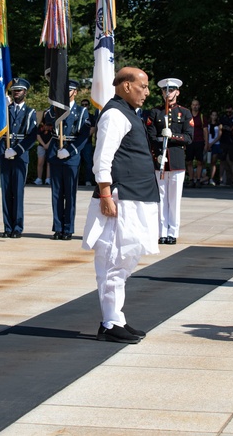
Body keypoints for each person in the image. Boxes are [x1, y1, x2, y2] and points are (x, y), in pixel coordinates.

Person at [82, 67, 158, 344]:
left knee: (126, 257)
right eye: (143, 86)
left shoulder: (129, 113)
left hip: (136, 196)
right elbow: (102, 157)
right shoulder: (114, 114)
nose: (147, 93)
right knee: (114, 257)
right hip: (120, 197)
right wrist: (104, 194)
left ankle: (117, 317)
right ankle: (110, 322)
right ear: (126, 85)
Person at [43, 80, 92, 240]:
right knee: (56, 193)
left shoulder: (82, 111)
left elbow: (83, 135)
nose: (67, 93)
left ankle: (68, 228)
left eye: (70, 90)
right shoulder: (55, 108)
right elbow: (48, 120)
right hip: (56, 153)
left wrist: (69, 151)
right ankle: (58, 227)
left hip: (71, 156)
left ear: (75, 92)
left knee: (70, 194)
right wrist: (56, 105)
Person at [146, 77, 192, 244]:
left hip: (176, 161)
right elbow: (150, 136)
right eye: (165, 90)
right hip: (160, 160)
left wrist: (173, 135)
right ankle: (161, 232)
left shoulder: (185, 113)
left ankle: (173, 232)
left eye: (171, 90)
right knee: (161, 198)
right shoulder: (155, 112)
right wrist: (155, 154)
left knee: (174, 200)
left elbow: (189, 137)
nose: (168, 93)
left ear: (177, 92)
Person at [0, 78, 38, 237]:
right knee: (6, 192)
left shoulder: (30, 112)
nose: (16, 93)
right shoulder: (4, 110)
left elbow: (32, 135)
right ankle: (7, 227)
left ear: (25, 92)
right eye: (14, 90)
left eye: (19, 90)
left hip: (20, 156)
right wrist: (4, 149)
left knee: (18, 192)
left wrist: (16, 150)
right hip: (4, 154)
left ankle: (17, 228)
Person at [186, 98, 206, 187]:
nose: (195, 106)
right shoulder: (187, 116)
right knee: (189, 161)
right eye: (193, 105)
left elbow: (205, 130)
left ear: (199, 106)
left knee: (199, 161)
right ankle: (191, 179)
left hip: (199, 141)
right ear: (191, 106)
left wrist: (207, 143)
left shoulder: (202, 117)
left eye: (196, 104)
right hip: (189, 141)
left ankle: (198, 179)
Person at [205, 110, 221, 186]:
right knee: (205, 161)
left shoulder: (219, 125)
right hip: (208, 143)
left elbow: (219, 136)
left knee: (213, 162)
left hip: (216, 144)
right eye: (212, 115)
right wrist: (207, 143)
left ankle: (212, 178)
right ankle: (204, 177)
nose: (214, 117)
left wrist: (212, 143)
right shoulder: (207, 125)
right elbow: (206, 134)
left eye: (215, 115)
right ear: (210, 116)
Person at [35, 117, 51, 186]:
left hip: (50, 146)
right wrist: (44, 144)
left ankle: (48, 179)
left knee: (49, 163)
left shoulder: (52, 124)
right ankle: (39, 179)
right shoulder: (40, 125)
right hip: (41, 146)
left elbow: (54, 136)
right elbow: (38, 135)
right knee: (40, 162)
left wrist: (47, 145)